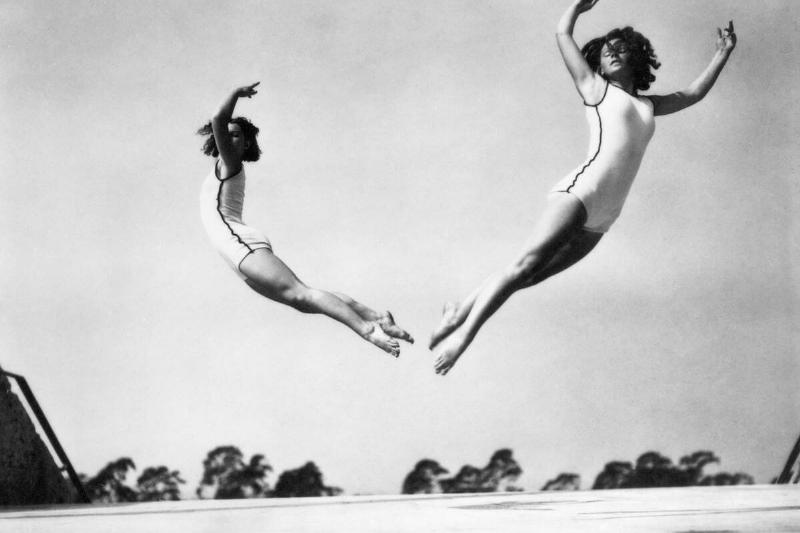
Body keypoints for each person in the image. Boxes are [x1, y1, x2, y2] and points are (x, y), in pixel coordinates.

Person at [430, 0, 737, 375]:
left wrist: (722, 54)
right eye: (607, 49)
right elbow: (563, 35)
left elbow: (692, 95)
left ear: (637, 59)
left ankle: (459, 310)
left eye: (621, 47)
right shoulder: (595, 89)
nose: (612, 51)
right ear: (599, 63)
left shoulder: (647, 105)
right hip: (581, 193)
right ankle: (461, 337)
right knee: (523, 264)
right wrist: (577, 6)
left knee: (529, 276)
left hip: (605, 217)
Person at [198, 82, 413, 357]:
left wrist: (236, 94)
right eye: (226, 136)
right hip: (235, 253)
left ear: (247, 143)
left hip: (240, 244)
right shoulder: (222, 164)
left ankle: (369, 330)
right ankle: (377, 317)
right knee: (303, 300)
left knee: (302, 293)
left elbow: (218, 118)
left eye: (237, 135)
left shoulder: (231, 163)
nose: (229, 139)